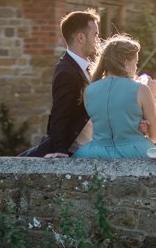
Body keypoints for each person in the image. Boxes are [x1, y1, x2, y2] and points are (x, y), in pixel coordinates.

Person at [22, 9, 100, 157]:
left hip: (91, 149)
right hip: (75, 152)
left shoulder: (89, 67)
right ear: (81, 38)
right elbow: (60, 113)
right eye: (95, 34)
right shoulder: (66, 71)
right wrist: (60, 150)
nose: (98, 39)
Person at [72, 35, 156, 158]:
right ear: (126, 63)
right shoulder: (141, 90)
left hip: (96, 153)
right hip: (135, 152)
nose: (136, 68)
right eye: (135, 63)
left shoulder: (88, 91)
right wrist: (151, 96)